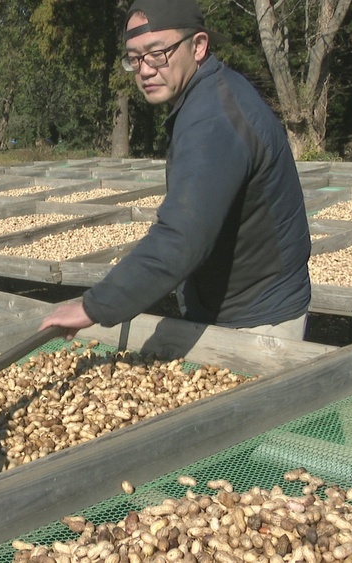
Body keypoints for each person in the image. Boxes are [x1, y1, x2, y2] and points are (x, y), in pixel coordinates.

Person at [40, 0, 311, 341]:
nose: (145, 69)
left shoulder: (213, 118)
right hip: (236, 304)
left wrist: (94, 306)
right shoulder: (209, 94)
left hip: (257, 319)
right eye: (134, 58)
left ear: (198, 46)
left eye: (157, 53)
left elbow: (182, 237)